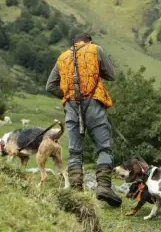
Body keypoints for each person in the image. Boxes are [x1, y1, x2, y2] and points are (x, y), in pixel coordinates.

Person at [45, 33, 121, 208]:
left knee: (75, 152)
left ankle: (77, 192)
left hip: (71, 107)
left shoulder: (63, 57)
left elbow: (50, 86)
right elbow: (111, 75)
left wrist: (67, 95)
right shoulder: (95, 50)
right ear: (89, 42)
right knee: (104, 147)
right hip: (94, 103)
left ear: (74, 43)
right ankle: (103, 187)